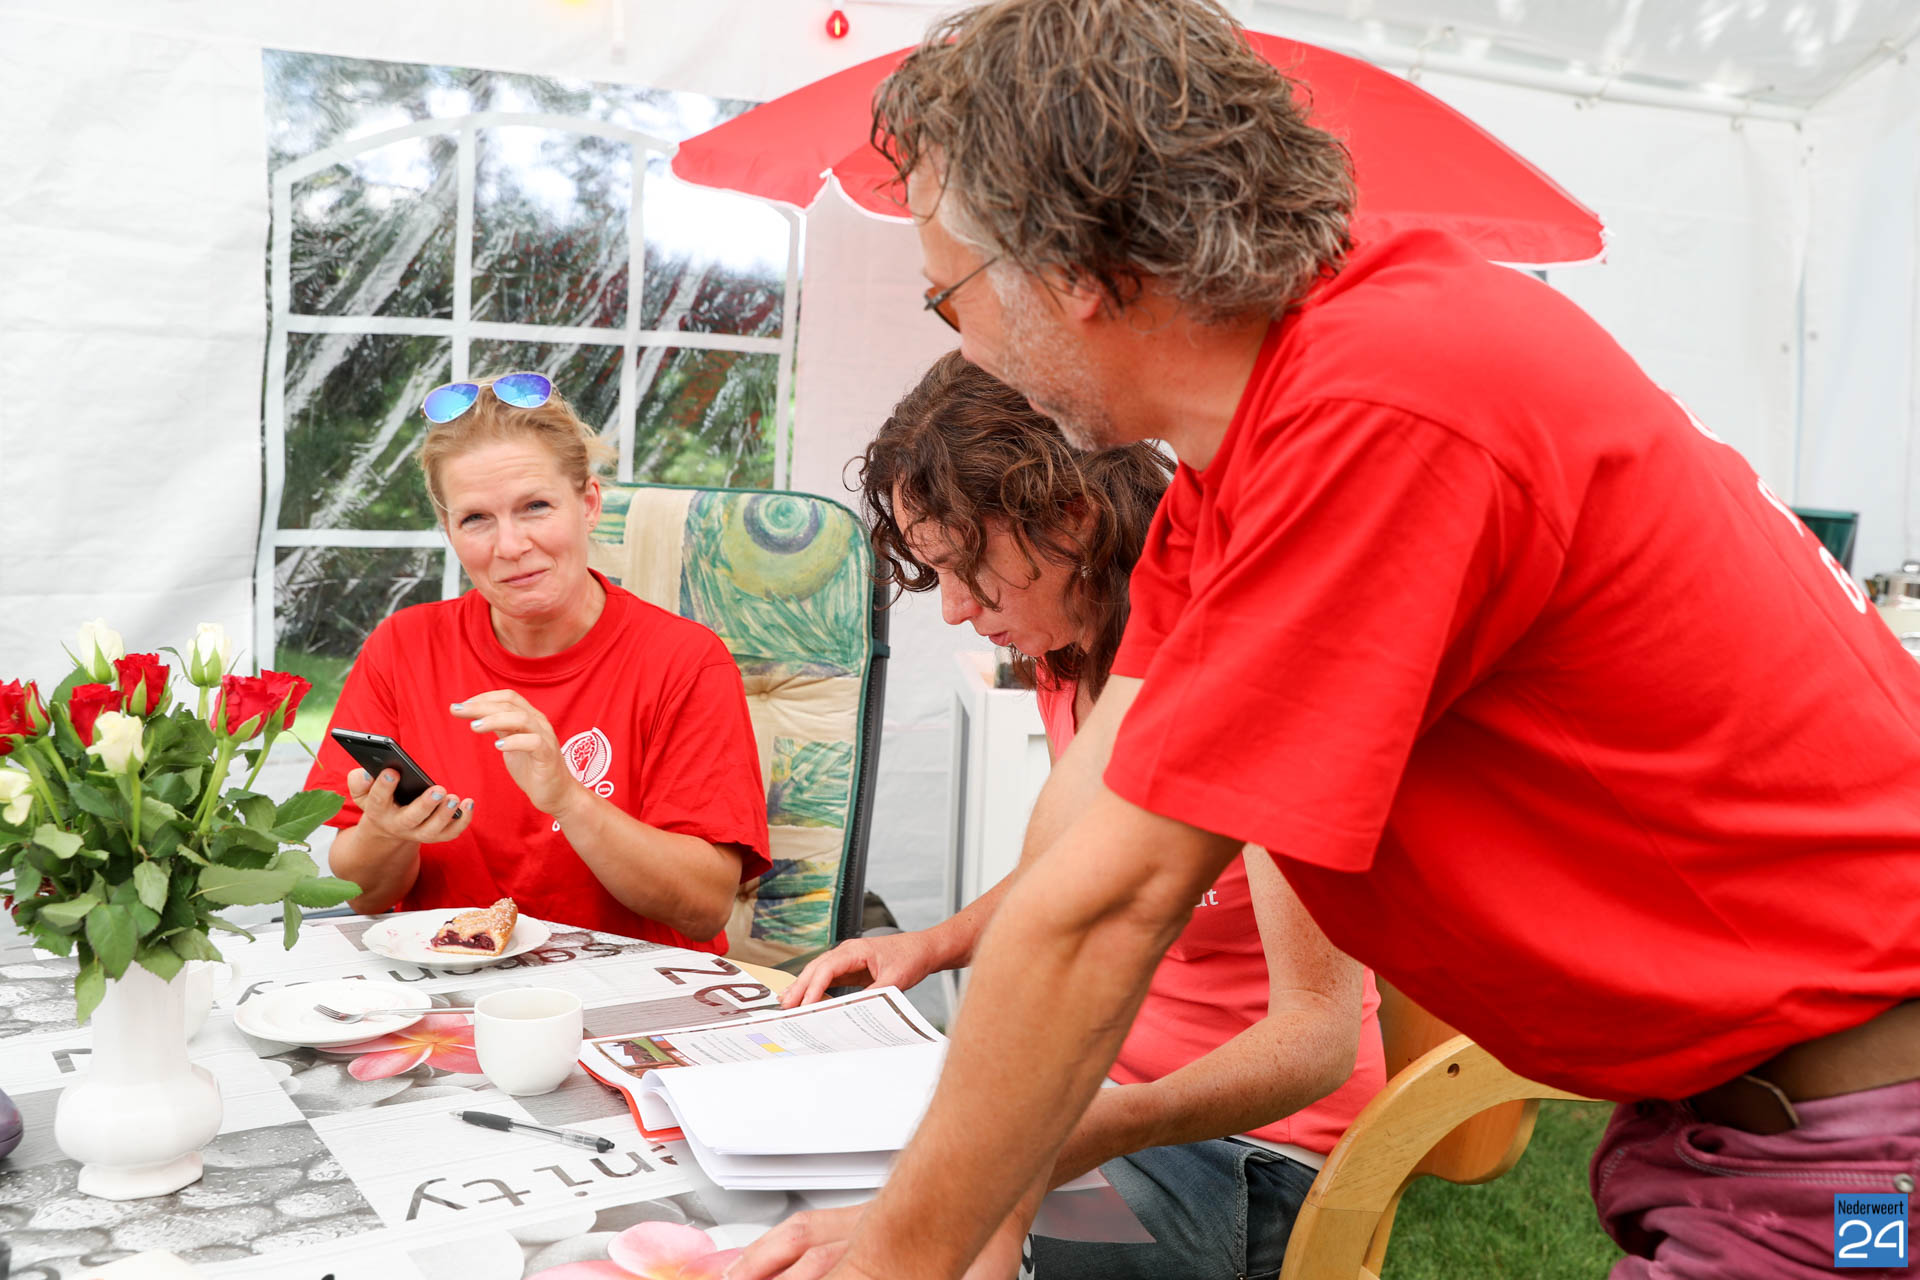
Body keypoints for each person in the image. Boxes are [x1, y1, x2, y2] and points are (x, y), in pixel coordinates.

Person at [731, 2, 1920, 1278]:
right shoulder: (1249, 449)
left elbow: (1110, 911)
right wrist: (956, 1211)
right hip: (1748, 1123)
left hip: (1857, 1146)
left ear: (1075, 267)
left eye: (948, 295)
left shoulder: (1383, 403)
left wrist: (901, 1254)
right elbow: (1077, 854)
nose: (960, 341)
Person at [780, 350, 1385, 1280]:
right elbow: (1078, 874)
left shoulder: (1256, 674)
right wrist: (930, 947)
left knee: (932, 1242)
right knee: (829, 1202)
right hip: (1105, 1102)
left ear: (1070, 518)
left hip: (1255, 1154)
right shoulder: (1071, 658)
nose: (952, 610)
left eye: (967, 566)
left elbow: (1316, 1040)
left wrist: (1097, 1127)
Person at [307, 373, 770, 954]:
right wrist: (385, 831)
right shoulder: (402, 647)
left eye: (535, 507)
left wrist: (569, 799)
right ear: (449, 530)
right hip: (448, 983)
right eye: (476, 518)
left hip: (624, 991)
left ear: (589, 503)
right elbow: (366, 896)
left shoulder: (686, 662)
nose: (510, 546)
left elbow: (703, 909)